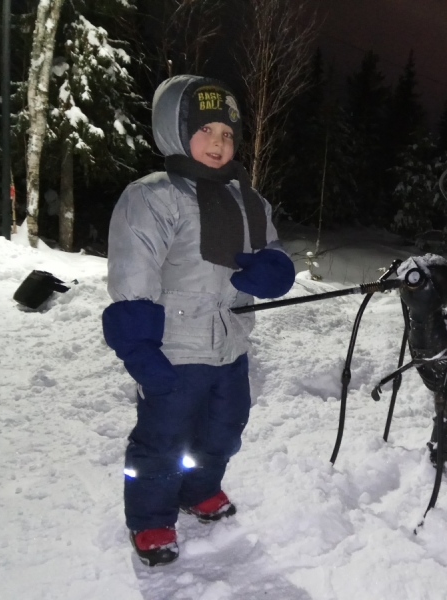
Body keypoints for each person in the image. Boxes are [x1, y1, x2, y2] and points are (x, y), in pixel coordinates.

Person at [102, 75, 295, 567]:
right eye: (206, 130)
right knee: (163, 440)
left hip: (231, 345)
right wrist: (140, 349)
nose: (219, 142)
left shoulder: (249, 199)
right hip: (175, 349)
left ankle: (200, 488)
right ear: (174, 131)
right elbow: (134, 274)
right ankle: (151, 520)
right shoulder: (152, 198)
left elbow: (270, 248)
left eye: (228, 133)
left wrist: (274, 269)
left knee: (224, 429)